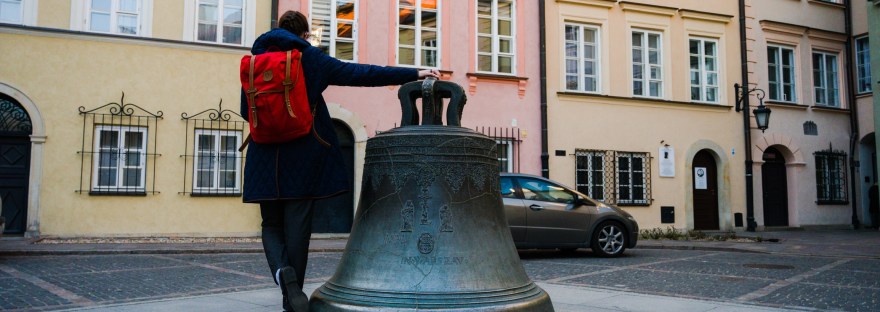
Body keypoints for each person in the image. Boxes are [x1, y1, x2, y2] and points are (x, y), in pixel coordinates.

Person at [240, 10, 439, 312]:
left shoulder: (254, 63)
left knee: (270, 224)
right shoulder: (309, 58)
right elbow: (360, 74)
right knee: (298, 228)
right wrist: (413, 73)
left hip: (263, 156)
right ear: (305, 35)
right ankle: (291, 299)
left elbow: (246, 111)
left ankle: (284, 275)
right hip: (302, 154)